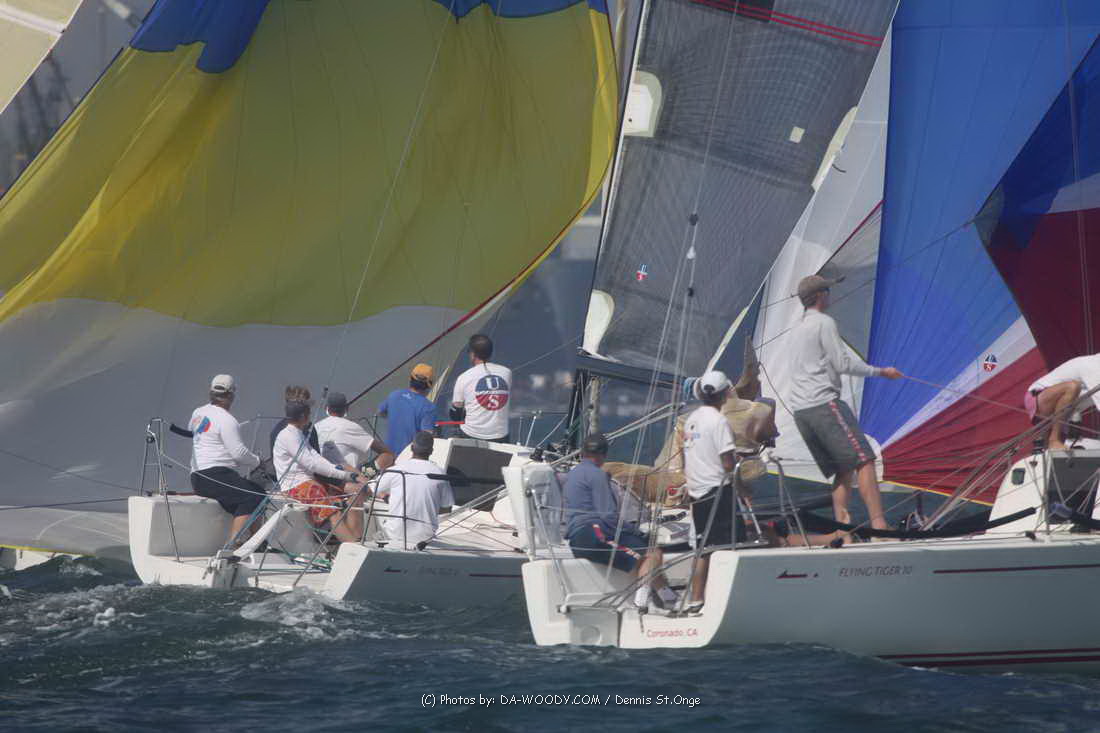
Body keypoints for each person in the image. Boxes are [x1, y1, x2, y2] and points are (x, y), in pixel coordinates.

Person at [789, 274, 902, 533]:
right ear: (821, 295)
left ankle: (842, 531)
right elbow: (843, 364)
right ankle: (880, 528)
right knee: (865, 459)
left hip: (802, 412)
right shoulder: (823, 322)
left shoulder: (796, 329)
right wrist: (881, 372)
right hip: (823, 404)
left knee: (844, 468)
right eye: (828, 291)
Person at [563, 433, 677, 611]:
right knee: (651, 553)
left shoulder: (572, 475)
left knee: (647, 550)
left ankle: (668, 596)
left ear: (582, 452)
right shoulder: (598, 475)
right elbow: (609, 516)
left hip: (578, 538)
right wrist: (636, 532)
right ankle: (641, 603)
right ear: (604, 454)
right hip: (594, 534)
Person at [681, 371, 743, 611]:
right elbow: (728, 463)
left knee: (703, 548)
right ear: (726, 393)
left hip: (697, 491)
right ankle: (720, 599)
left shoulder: (692, 419)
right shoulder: (719, 421)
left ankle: (696, 599)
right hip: (718, 490)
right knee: (730, 545)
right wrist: (743, 486)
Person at [188, 375, 265, 547]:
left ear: (211, 392)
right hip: (216, 476)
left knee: (257, 493)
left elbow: (192, 431)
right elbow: (239, 453)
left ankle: (258, 543)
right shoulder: (228, 420)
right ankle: (231, 546)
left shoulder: (197, 412)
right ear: (231, 395)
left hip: (197, 478)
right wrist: (258, 462)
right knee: (255, 497)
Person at [273, 400, 364, 543]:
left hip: (307, 482)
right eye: (309, 414)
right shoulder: (289, 436)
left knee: (352, 494)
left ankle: (355, 539)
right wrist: (345, 475)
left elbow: (315, 457)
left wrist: (340, 472)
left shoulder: (297, 433)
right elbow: (311, 464)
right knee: (332, 511)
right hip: (295, 486)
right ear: (303, 416)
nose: (310, 417)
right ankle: (353, 546)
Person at [375, 431, 454, 549]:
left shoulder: (396, 469)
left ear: (412, 448)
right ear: (431, 451)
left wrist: (386, 497)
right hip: (424, 538)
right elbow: (447, 507)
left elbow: (372, 488)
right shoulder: (440, 473)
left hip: (395, 533)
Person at [1025, 354, 1100, 450]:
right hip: (1037, 397)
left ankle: (1055, 442)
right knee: (1073, 387)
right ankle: (1054, 440)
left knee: (1087, 394)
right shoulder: (1094, 366)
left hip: (1062, 411)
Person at [451, 334, 512, 442]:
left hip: (470, 434)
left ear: (473, 354)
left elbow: (456, 411)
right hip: (500, 436)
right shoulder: (507, 373)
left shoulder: (463, 377)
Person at [315, 391, 395, 473]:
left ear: (326, 408)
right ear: (346, 409)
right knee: (387, 456)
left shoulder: (316, 426)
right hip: (346, 476)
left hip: (321, 473)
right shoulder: (350, 426)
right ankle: (365, 477)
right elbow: (384, 450)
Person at [377, 363, 438, 455]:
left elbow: (380, 412)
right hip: (408, 456)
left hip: (387, 454)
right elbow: (426, 436)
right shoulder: (429, 407)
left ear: (410, 379)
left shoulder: (394, 395)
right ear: (429, 385)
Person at [269, 385, 318, 458]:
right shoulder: (278, 432)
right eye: (306, 407)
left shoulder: (310, 428)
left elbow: (316, 455)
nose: (309, 411)